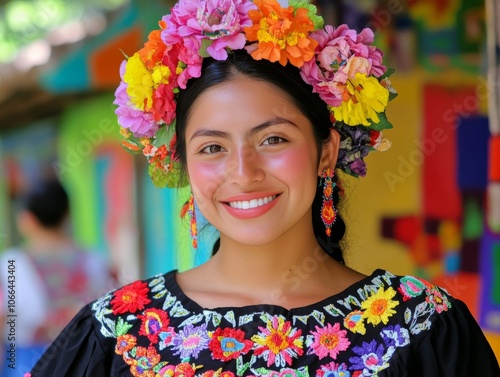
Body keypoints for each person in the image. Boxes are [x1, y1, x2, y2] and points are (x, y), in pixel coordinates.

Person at [28, 0, 499, 375]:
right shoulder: (118, 333)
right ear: (185, 165)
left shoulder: (423, 329)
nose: (243, 171)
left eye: (273, 139)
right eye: (212, 148)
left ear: (327, 152)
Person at [0, 178, 115, 376]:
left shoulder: (11, 265)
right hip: (85, 361)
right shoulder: (95, 261)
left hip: (26, 362)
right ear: (67, 213)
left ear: (27, 219)